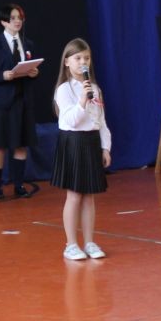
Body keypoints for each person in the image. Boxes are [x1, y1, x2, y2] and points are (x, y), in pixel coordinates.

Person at [51, 39, 111, 261]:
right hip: (73, 142)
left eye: (86, 58)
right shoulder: (64, 90)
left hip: (91, 142)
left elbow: (101, 121)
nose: (82, 62)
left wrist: (105, 147)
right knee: (75, 195)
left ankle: (89, 242)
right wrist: (82, 101)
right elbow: (71, 120)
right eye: (77, 58)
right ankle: (71, 244)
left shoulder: (95, 89)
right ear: (67, 62)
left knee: (89, 196)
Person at [0, 2, 42, 200]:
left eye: (20, 18)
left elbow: (32, 69)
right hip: (2, 103)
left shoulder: (28, 43)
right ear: (3, 22)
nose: (17, 21)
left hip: (23, 101)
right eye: (13, 18)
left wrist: (34, 73)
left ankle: (18, 185)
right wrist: (3, 75)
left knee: (21, 144)